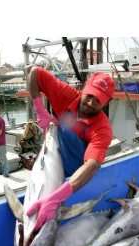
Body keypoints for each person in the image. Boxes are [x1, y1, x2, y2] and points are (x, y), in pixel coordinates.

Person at [26, 66, 115, 231]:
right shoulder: (66, 95)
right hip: (53, 158)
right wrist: (40, 110)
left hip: (75, 174)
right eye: (89, 96)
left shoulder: (103, 129)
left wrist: (56, 198)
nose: (90, 103)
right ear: (84, 90)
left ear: (106, 103)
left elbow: (92, 165)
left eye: (98, 101)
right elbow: (34, 72)